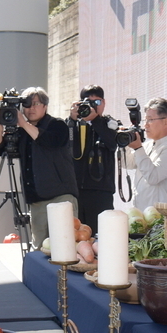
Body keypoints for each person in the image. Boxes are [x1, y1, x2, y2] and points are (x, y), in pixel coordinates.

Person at [0, 87, 77, 248]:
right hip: (36, 199)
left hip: (60, 196)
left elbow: (49, 141)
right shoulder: (22, 131)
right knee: (40, 247)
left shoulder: (57, 125)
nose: (31, 108)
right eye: (27, 104)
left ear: (45, 106)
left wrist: (23, 123)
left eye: (36, 104)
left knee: (65, 246)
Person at [66, 85, 119, 235]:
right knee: (74, 236)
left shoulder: (110, 124)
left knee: (101, 236)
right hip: (76, 191)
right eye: (89, 102)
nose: (93, 106)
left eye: (97, 102)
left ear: (104, 103)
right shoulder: (73, 125)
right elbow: (63, 145)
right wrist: (71, 120)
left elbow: (112, 143)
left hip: (101, 192)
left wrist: (95, 120)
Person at [126, 97, 167, 210]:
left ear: (165, 122)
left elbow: (153, 177)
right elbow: (128, 164)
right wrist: (124, 144)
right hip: (142, 213)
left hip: (161, 216)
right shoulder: (148, 145)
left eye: (150, 120)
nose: (146, 125)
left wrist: (138, 148)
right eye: (145, 120)